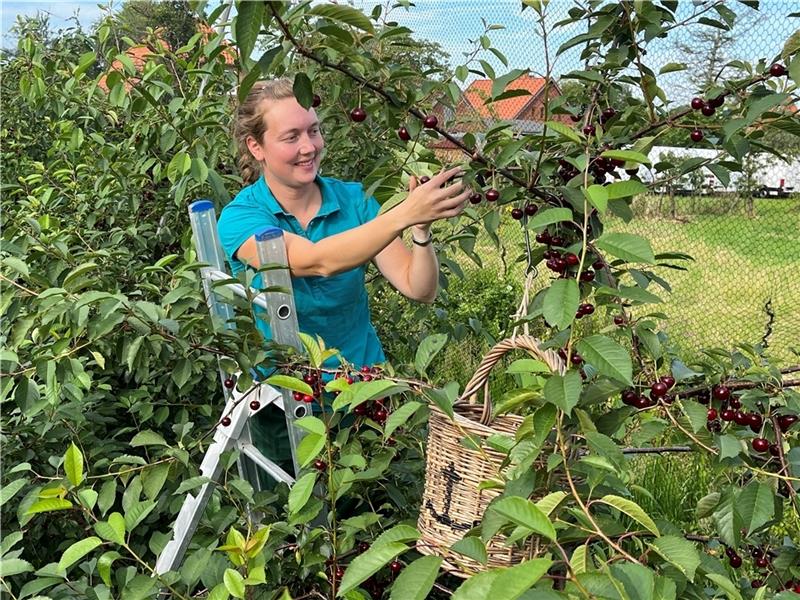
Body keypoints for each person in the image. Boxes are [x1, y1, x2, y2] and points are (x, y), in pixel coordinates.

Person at [217, 78, 469, 474]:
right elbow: (314, 261)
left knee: (370, 514)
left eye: (314, 131)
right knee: (290, 523)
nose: (308, 147)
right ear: (256, 147)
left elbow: (418, 287)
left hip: (362, 390)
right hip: (281, 400)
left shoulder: (355, 200)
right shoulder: (240, 217)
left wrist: (421, 230)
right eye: (291, 136)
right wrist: (403, 214)